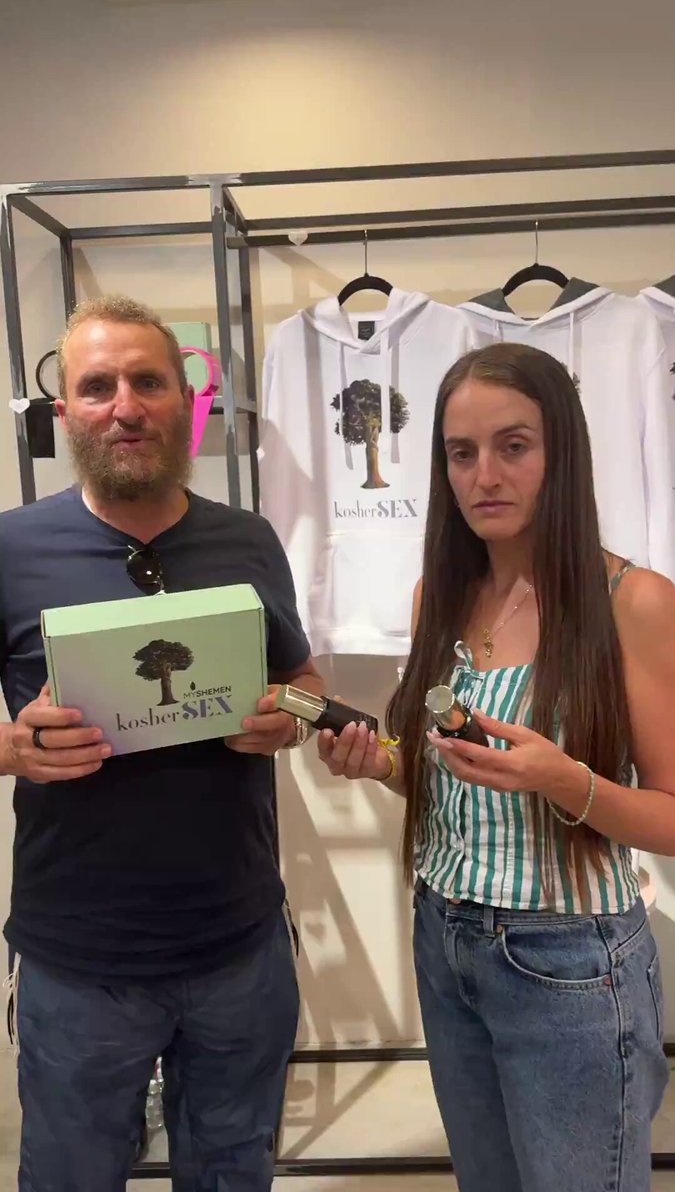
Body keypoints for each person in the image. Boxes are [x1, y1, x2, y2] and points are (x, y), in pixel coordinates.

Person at [318, 341, 675, 1192]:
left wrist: (564, 780)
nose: (484, 476)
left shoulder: (632, 602)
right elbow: (444, 774)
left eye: (513, 446)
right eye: (460, 453)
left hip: (569, 962)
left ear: (561, 454)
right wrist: (380, 764)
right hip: (444, 939)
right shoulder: (437, 598)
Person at [0, 295, 324, 1192]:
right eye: (96, 387)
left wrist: (288, 718)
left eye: (148, 382)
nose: (125, 407)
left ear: (187, 401)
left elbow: (304, 684)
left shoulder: (247, 540)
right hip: (78, 958)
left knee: (231, 1171)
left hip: (238, 944)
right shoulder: (11, 548)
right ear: (65, 411)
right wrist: (13, 749)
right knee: (71, 1176)